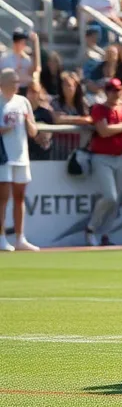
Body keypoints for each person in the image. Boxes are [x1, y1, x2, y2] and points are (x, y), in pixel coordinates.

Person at [85, 78, 122, 246]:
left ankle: (106, 234)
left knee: (117, 199)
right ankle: (91, 228)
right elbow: (104, 131)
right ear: (106, 92)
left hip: (120, 156)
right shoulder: (99, 108)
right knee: (110, 197)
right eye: (113, 90)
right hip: (102, 157)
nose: (116, 93)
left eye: (118, 90)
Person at [0, 68, 39, 251]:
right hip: (3, 157)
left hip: (21, 155)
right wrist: (4, 129)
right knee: (2, 199)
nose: (16, 84)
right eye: (13, 81)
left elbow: (33, 130)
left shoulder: (23, 101)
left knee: (20, 197)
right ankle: (1, 237)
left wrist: (29, 124)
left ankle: (20, 237)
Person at [0, 29, 40, 93]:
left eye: (23, 42)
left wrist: (35, 42)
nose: (23, 44)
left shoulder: (27, 60)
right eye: (20, 42)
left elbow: (35, 72)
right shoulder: (5, 58)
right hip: (9, 91)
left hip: (25, 91)